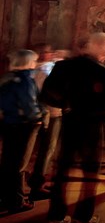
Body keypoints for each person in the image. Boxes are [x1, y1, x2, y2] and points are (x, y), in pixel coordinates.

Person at [41, 32, 105, 223]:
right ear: (102, 50)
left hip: (70, 121)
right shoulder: (101, 72)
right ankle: (82, 219)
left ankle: (55, 217)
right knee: (90, 172)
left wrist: (66, 104)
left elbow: (48, 94)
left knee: (62, 170)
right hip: (92, 126)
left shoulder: (63, 67)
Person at [0, 49, 43, 213]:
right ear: (28, 62)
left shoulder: (7, 78)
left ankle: (4, 197)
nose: (35, 64)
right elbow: (29, 104)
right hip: (24, 125)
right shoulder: (26, 80)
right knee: (20, 163)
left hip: (9, 123)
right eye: (34, 61)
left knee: (8, 161)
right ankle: (16, 201)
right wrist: (38, 117)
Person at [29, 45, 63, 199]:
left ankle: (38, 180)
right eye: (49, 52)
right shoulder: (45, 71)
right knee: (47, 148)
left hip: (40, 113)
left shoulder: (34, 70)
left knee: (42, 149)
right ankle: (38, 184)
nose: (51, 54)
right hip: (50, 113)